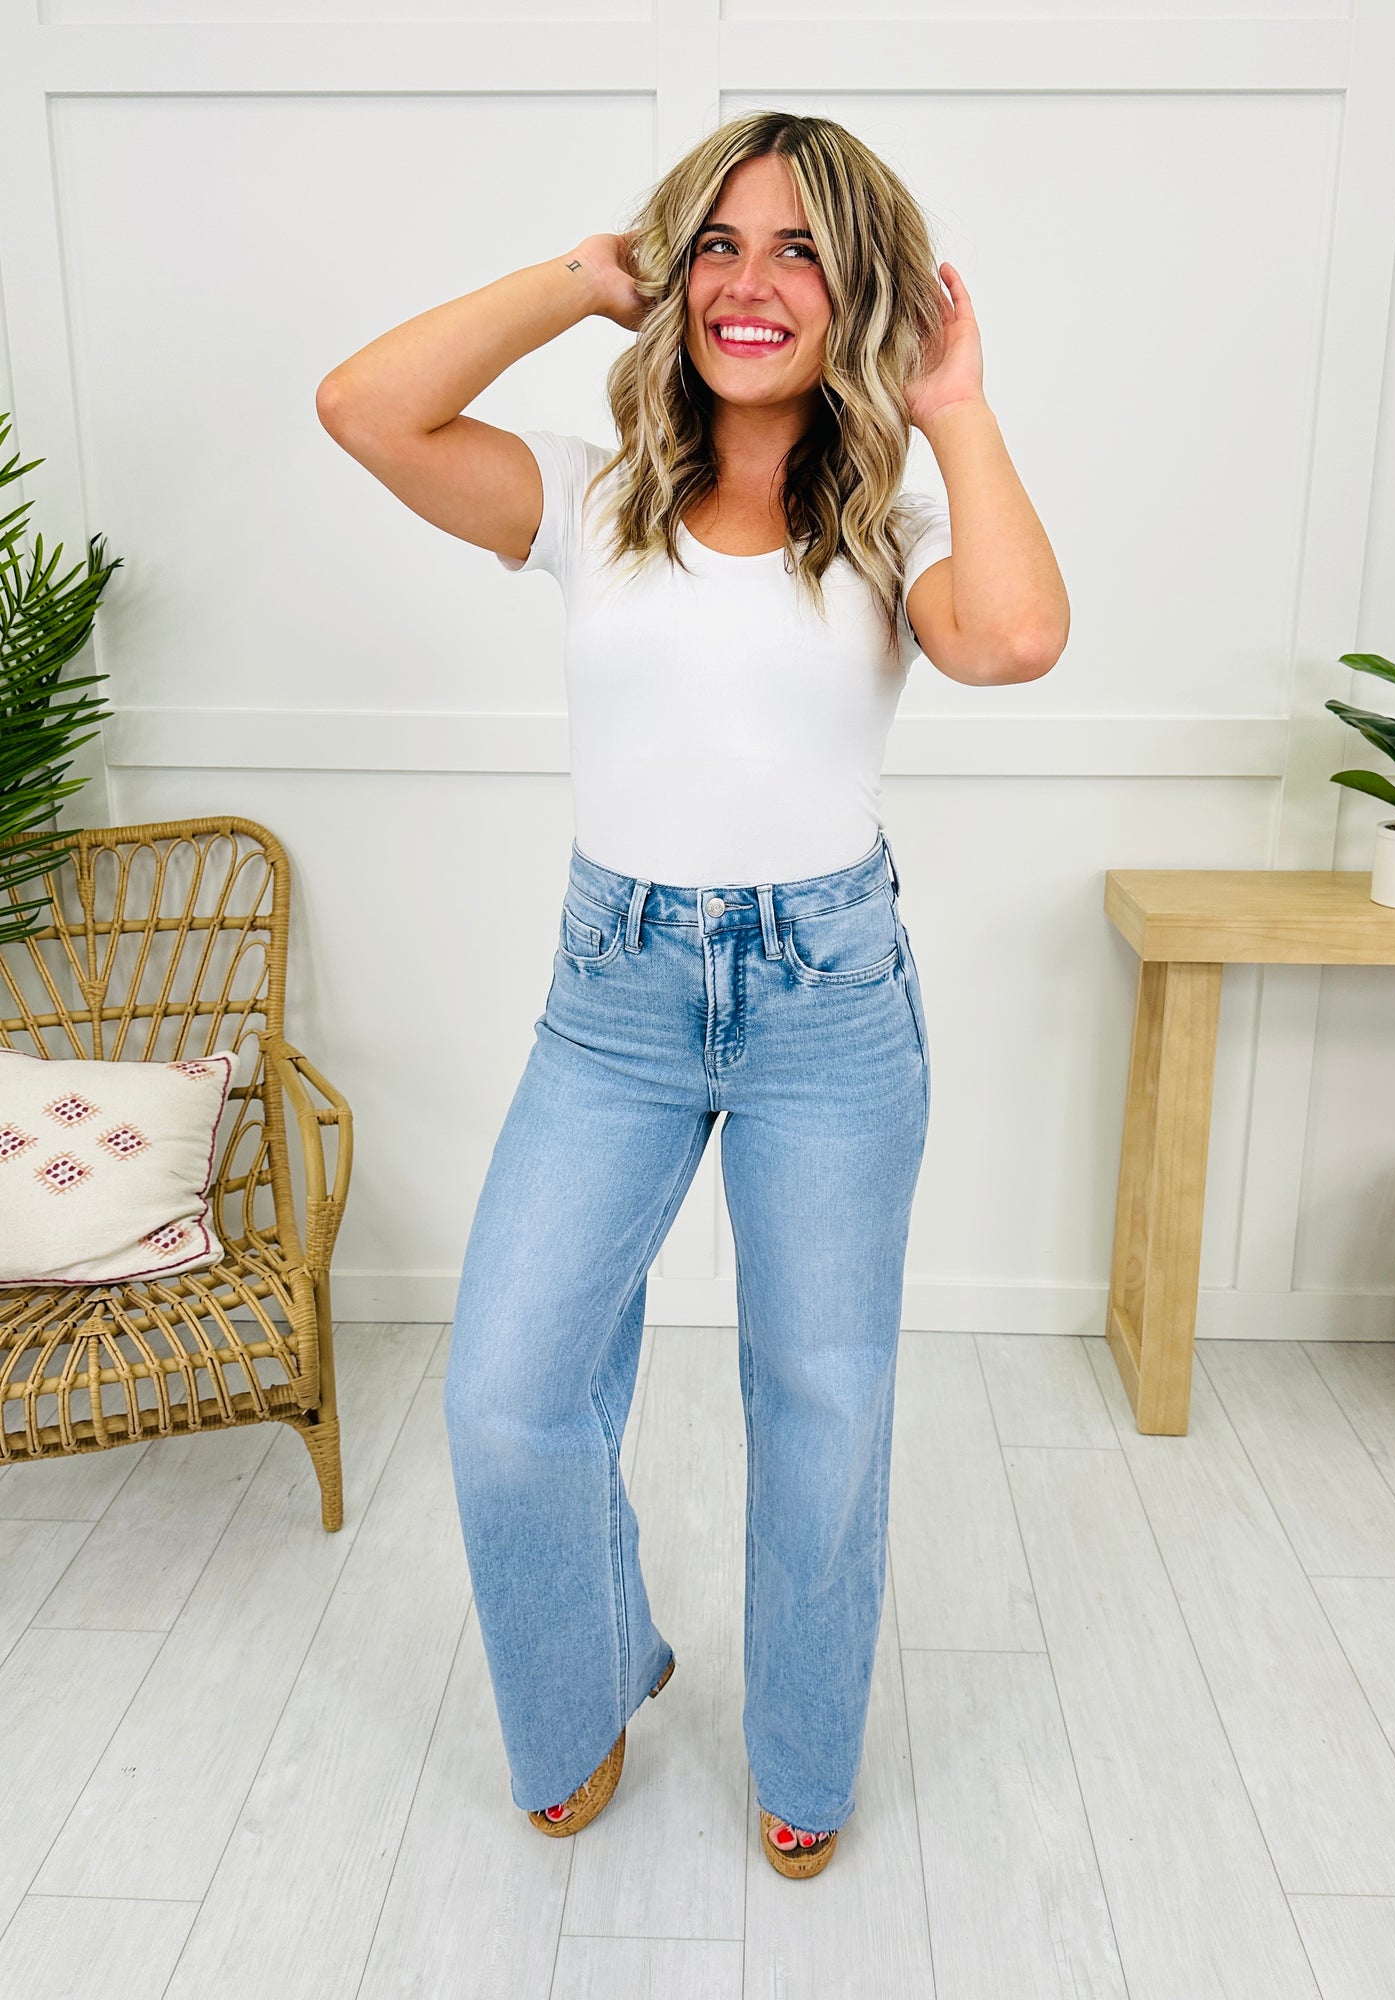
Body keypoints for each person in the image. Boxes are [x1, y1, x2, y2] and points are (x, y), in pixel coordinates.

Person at [315, 108, 1068, 1881]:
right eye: (718, 243)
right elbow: (365, 408)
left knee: (823, 1403)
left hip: (829, 1000)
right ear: (673, 274)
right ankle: (587, 1680)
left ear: (857, 291)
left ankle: (802, 1752)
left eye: (801, 250)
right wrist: (577, 279)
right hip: (617, 995)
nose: (751, 282)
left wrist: (956, 398)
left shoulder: (892, 521)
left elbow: (1018, 638)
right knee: (506, 1388)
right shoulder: (594, 501)